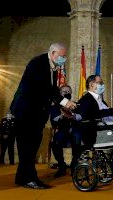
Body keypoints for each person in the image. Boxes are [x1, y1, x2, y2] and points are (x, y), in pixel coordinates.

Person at [9, 43, 77, 189]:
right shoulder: (39, 63)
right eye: (62, 56)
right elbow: (45, 89)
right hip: (27, 112)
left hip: (35, 113)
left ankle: (21, 177)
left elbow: (51, 89)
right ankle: (30, 179)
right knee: (28, 146)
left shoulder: (51, 67)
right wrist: (65, 102)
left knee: (29, 146)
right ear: (53, 53)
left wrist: (63, 104)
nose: (64, 59)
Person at [50, 85, 82, 178]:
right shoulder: (55, 106)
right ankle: (61, 165)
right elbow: (53, 120)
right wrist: (62, 116)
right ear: (60, 94)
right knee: (56, 141)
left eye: (69, 92)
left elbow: (81, 117)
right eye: (65, 92)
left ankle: (74, 165)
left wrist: (74, 116)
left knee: (77, 137)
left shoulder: (76, 104)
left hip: (75, 130)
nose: (67, 93)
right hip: (62, 131)